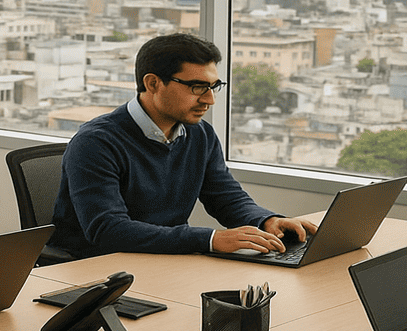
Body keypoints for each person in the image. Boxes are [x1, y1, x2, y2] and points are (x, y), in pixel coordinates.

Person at [47, 32, 316, 259]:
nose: (209, 100)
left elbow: (226, 198)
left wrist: (267, 221)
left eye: (214, 86)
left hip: (164, 260)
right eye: (197, 87)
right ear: (153, 83)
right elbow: (108, 230)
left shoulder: (199, 135)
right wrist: (209, 239)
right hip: (94, 270)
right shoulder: (95, 142)